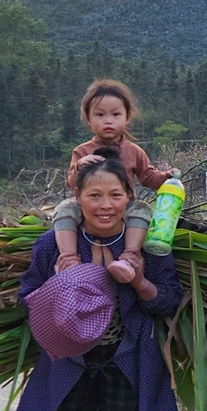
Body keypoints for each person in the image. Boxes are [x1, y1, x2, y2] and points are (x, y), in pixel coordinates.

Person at [8, 147, 185, 411]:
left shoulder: (150, 244)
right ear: (77, 199)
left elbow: (168, 300)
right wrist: (58, 285)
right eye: (94, 196)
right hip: (71, 362)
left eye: (115, 195)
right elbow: (26, 293)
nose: (105, 205)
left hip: (128, 361)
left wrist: (140, 281)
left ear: (129, 197)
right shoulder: (54, 244)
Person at [54, 79, 176, 284]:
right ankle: (68, 258)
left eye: (116, 114)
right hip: (89, 209)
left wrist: (166, 177)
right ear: (88, 118)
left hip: (123, 208)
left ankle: (130, 257)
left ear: (127, 117)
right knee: (64, 208)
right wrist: (80, 165)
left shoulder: (134, 151)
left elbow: (149, 178)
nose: (108, 121)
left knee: (142, 209)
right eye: (100, 115)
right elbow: (72, 184)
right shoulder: (81, 151)